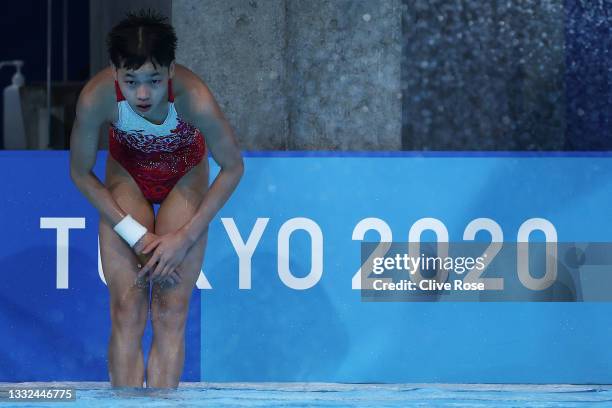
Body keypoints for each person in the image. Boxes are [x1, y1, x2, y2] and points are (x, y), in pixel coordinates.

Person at [69, 10, 243, 388]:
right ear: (115, 73)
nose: (143, 93)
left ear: (170, 71)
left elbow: (232, 168)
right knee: (126, 308)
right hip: (127, 182)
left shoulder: (194, 99)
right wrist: (131, 231)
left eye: (153, 80)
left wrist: (186, 236)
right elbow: (80, 173)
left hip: (185, 181)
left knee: (170, 311)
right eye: (131, 82)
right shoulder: (96, 99)